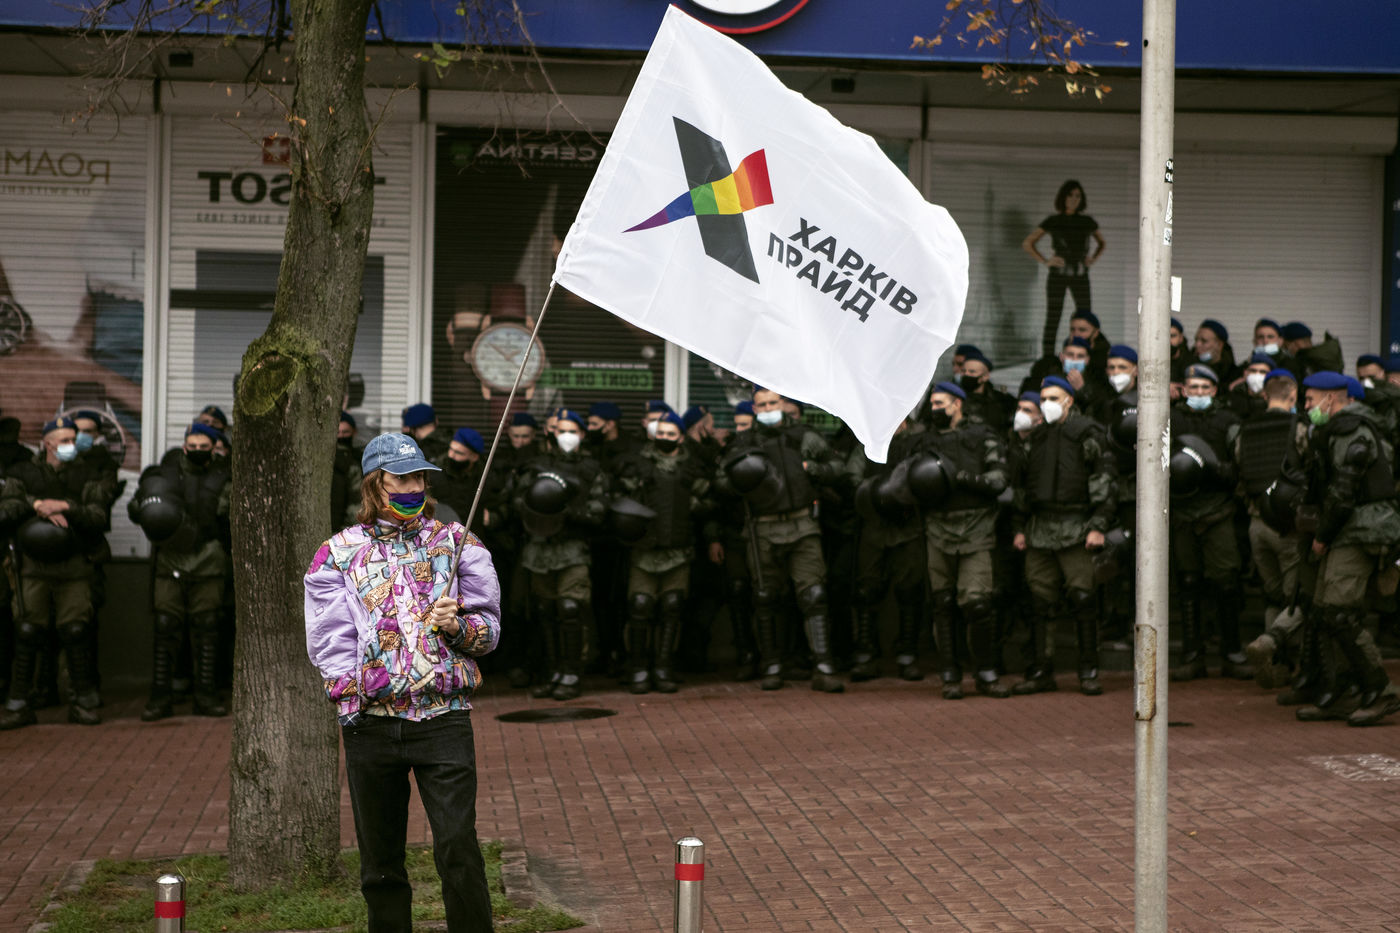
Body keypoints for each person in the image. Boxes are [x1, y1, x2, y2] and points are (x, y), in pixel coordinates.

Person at [304, 432, 500, 930]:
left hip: (444, 721)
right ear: (375, 484)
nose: (413, 487)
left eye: (420, 478)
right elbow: (329, 642)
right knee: (381, 863)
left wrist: (459, 628)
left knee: (458, 847)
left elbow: (489, 630)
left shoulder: (457, 542)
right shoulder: (337, 553)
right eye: (402, 478)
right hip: (371, 726)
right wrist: (356, 697)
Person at [1289, 372, 1400, 725]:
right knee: (1324, 610)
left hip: (1362, 529)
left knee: (1339, 612)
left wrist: (1322, 536)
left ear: (1330, 399)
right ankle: (1343, 691)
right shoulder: (1336, 430)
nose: (1307, 407)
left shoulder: (1352, 431)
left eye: (1310, 400)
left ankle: (1380, 691)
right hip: (1349, 528)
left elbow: (1343, 492)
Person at [721, 387, 843, 692]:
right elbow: (721, 482)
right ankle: (772, 665)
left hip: (802, 524)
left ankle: (823, 666)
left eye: (773, 402)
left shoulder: (805, 436)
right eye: (762, 405)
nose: (768, 409)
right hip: (762, 528)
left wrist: (814, 469)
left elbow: (838, 467)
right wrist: (743, 478)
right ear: (754, 409)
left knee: (814, 594)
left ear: (783, 403)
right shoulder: (745, 441)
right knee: (766, 598)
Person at [0, 417, 119, 728]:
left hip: (74, 565)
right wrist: (37, 504)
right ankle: (18, 703)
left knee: (76, 630)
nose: (72, 445)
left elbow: (98, 516)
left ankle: (83, 701)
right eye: (65, 440)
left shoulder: (88, 473)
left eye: (74, 439)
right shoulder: (22, 473)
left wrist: (66, 507)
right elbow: (6, 508)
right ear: (48, 443)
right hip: (32, 566)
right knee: (27, 630)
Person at [1010, 376, 1116, 696]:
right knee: (1039, 601)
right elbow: (1022, 485)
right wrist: (1018, 527)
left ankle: (1088, 671)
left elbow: (1104, 480)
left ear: (1069, 400)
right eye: (1043, 399)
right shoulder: (1036, 437)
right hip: (1040, 528)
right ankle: (1042, 671)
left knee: (1083, 598)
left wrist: (1098, 526)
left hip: (1077, 526)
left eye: (1053, 398)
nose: (1047, 404)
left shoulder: (1088, 433)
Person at [911, 383, 1011, 698]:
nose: (935, 409)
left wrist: (962, 477)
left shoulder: (983, 436)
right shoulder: (923, 442)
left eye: (940, 403)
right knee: (942, 603)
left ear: (957, 404)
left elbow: (999, 480)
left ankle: (985, 673)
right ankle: (950, 676)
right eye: (932, 404)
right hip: (937, 528)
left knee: (977, 604)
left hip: (976, 528)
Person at [130, 423, 232, 720]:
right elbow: (139, 506)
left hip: (208, 559)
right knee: (166, 625)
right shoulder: (166, 473)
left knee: (207, 627)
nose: (197, 451)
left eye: (204, 447)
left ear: (214, 448)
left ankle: (206, 695)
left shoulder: (224, 475)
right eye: (193, 446)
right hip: (171, 560)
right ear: (184, 446)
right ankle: (160, 697)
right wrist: (144, 507)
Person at [510, 409, 608, 700]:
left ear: (582, 435)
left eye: (572, 431)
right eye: (561, 430)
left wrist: (569, 511)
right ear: (551, 433)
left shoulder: (592, 469)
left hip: (573, 549)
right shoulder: (536, 466)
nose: (566, 436)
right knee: (546, 611)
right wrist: (539, 506)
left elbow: (599, 510)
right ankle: (552, 673)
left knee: (570, 608)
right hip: (539, 549)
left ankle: (572, 673)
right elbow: (517, 500)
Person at [613, 412, 714, 693]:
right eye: (661, 433)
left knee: (672, 606)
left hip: (678, 551)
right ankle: (638, 668)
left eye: (671, 434)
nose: (665, 438)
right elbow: (620, 498)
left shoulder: (691, 468)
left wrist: (692, 506)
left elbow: (710, 502)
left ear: (680, 437)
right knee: (640, 606)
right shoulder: (638, 464)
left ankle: (663, 667)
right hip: (644, 551)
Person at [1169, 364, 1249, 681]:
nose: (1199, 393)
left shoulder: (1228, 421)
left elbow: (1242, 462)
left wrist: (1221, 470)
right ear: (1184, 390)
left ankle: (1232, 652)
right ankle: (1192, 655)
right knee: (1188, 582)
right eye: (1193, 387)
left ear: (1214, 390)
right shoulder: (1170, 418)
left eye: (1205, 387)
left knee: (1226, 581)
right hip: (1182, 511)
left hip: (1218, 510)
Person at [1236, 369, 1308, 689]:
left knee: (1272, 595)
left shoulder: (1246, 429)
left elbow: (1239, 470)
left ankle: (1274, 665)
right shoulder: (1298, 428)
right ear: (1293, 396)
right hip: (1288, 527)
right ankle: (1277, 649)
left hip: (1256, 523)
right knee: (1296, 598)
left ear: (1264, 395)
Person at [847, 415, 926, 682]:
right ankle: (866, 655)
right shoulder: (868, 443)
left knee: (910, 590)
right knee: (867, 590)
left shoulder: (917, 444)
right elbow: (852, 476)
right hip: (874, 524)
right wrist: (875, 494)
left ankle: (907, 654)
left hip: (908, 525)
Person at [1023, 179, 1106, 357]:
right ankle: (1048, 359)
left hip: (1080, 273)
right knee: (1053, 317)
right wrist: (1046, 261)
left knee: (1085, 318)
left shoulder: (1086, 221)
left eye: (1078, 196)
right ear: (1063, 197)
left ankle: (1086, 355)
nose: (1074, 199)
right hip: (1058, 274)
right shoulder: (1054, 220)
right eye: (1070, 195)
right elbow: (1028, 243)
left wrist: (1092, 259)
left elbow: (1102, 243)